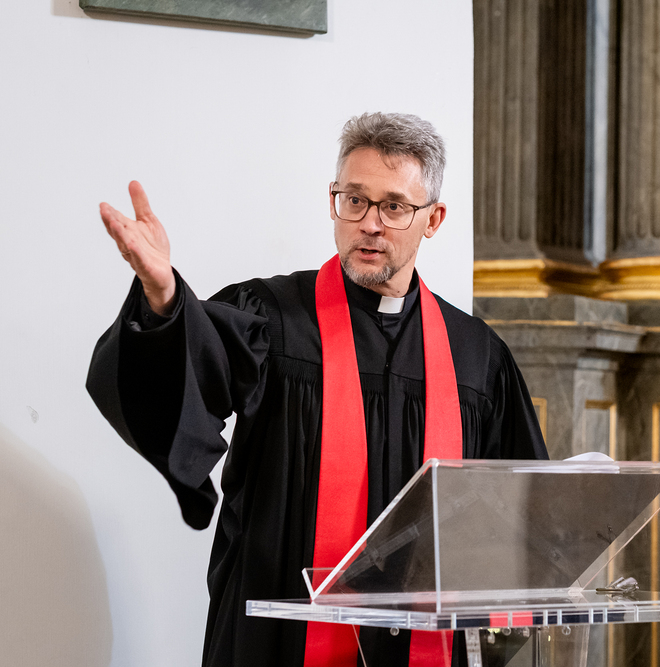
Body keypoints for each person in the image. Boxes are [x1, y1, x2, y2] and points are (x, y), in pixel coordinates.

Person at [87, 112, 548, 667]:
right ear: (334, 200)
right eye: (354, 200)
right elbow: (184, 377)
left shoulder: (476, 356)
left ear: (433, 219)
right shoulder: (271, 318)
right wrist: (164, 299)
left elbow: (521, 523)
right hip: (277, 645)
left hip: (423, 648)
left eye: (394, 206)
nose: (369, 224)